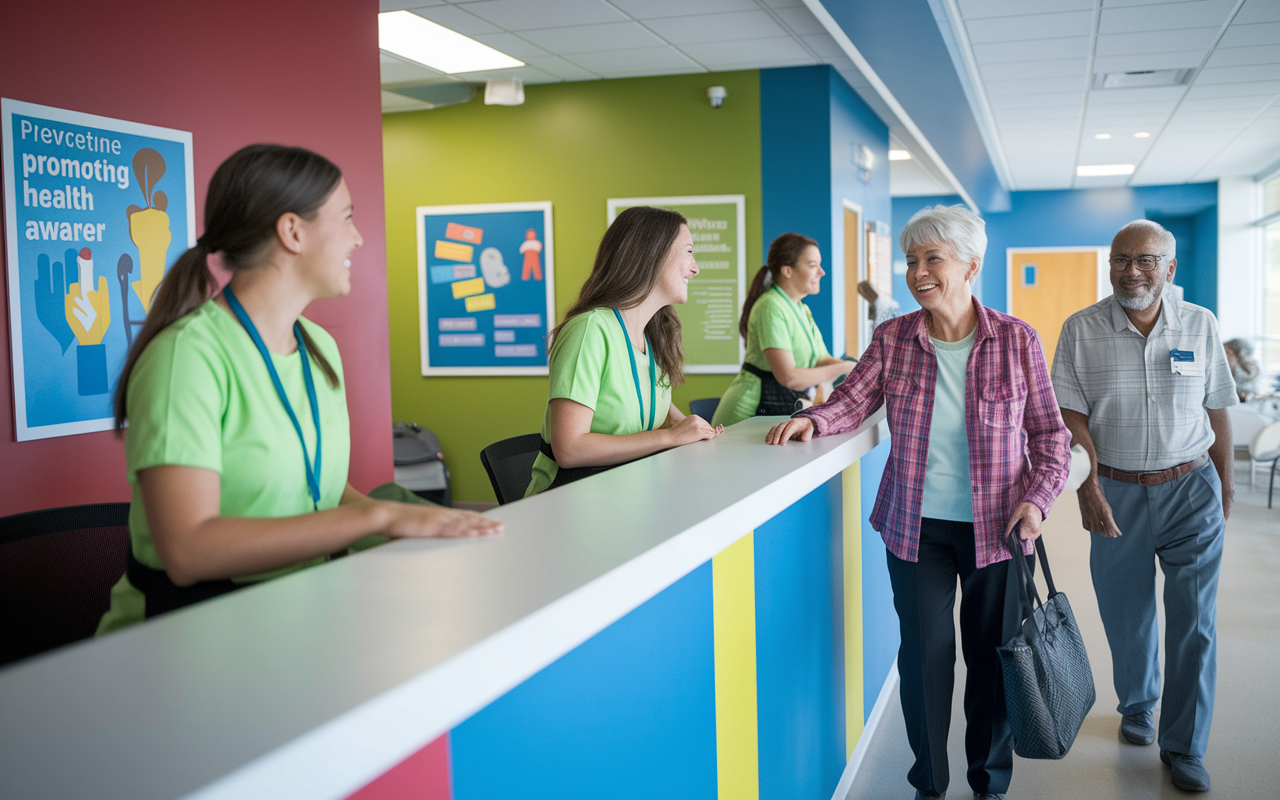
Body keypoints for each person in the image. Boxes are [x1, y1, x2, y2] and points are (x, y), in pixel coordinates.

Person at [97, 145, 501, 634]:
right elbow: (189, 550)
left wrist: (426, 524)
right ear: (292, 231)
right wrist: (375, 522)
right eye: (347, 218)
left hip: (297, 618)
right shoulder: (188, 356)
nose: (358, 238)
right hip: (186, 638)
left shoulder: (319, 348)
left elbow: (325, 494)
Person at [766, 205, 1070, 800]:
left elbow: (1050, 436)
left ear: (971, 266)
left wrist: (1037, 502)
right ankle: (928, 785)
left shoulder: (1016, 339)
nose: (918, 272)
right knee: (926, 662)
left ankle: (989, 785)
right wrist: (812, 420)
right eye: (911, 260)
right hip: (916, 529)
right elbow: (852, 401)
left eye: (933, 259)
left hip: (1003, 529)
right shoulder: (894, 338)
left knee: (992, 661)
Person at [1052, 220, 1236, 793]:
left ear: (1170, 268)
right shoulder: (1081, 329)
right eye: (1121, 259)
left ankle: (1184, 745)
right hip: (1116, 490)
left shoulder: (1200, 325)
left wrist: (1224, 491)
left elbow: (1218, 409)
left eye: (1146, 260)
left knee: (1194, 624)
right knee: (1126, 613)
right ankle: (1138, 703)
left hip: (1191, 487)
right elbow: (1069, 412)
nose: (1131, 270)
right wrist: (1087, 488)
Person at [524, 206, 724, 496]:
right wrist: (669, 436)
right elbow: (570, 449)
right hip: (570, 503)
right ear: (653, 255)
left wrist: (690, 428)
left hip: (629, 494)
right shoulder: (590, 330)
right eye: (689, 252)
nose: (696, 268)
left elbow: (653, 407)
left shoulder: (651, 338)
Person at [711, 233, 854, 426]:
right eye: (813, 266)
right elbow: (789, 377)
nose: (821, 272)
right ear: (787, 270)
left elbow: (822, 359)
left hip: (778, 408)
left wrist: (858, 368)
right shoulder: (771, 305)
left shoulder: (801, 308)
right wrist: (844, 368)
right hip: (748, 414)